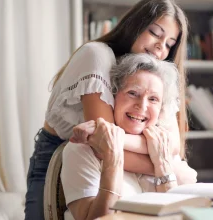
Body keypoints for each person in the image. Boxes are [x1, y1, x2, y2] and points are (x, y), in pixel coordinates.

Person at [24, 0, 196, 219]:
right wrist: (165, 166)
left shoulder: (157, 75)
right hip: (62, 154)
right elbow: (103, 147)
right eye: (154, 33)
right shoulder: (96, 55)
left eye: (170, 44)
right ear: (134, 25)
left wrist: (104, 136)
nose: (160, 47)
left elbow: (171, 144)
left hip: (113, 159)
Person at [62, 53, 181, 220]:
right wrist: (112, 158)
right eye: (133, 93)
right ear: (113, 96)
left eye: (153, 99)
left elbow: (177, 216)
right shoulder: (82, 151)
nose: (142, 106)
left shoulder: (161, 148)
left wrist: (163, 165)